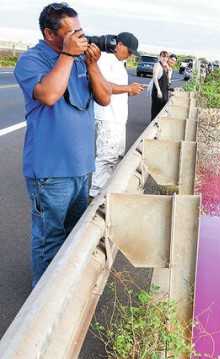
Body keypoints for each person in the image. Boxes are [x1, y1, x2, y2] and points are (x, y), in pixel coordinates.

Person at [13, 2, 112, 287]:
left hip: (81, 168)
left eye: (81, 31)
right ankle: (40, 306)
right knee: (49, 238)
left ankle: (62, 290)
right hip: (50, 173)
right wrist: (68, 55)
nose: (81, 38)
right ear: (50, 34)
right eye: (72, 33)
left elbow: (104, 98)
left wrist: (92, 65)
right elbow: (48, 95)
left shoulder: (81, 60)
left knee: (73, 236)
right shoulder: (31, 60)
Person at [90, 32, 144, 198]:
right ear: (119, 45)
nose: (129, 55)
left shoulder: (120, 63)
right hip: (107, 117)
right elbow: (102, 86)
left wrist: (128, 91)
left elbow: (114, 88)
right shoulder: (105, 59)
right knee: (106, 158)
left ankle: (105, 193)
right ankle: (95, 195)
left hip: (117, 118)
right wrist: (128, 89)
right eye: (128, 51)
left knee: (114, 157)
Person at [150, 50, 169, 119]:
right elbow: (154, 78)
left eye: (166, 57)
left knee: (162, 110)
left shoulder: (166, 66)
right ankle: (152, 127)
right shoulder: (157, 65)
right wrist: (158, 90)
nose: (164, 58)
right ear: (160, 57)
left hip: (165, 91)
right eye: (163, 57)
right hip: (158, 91)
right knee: (156, 110)